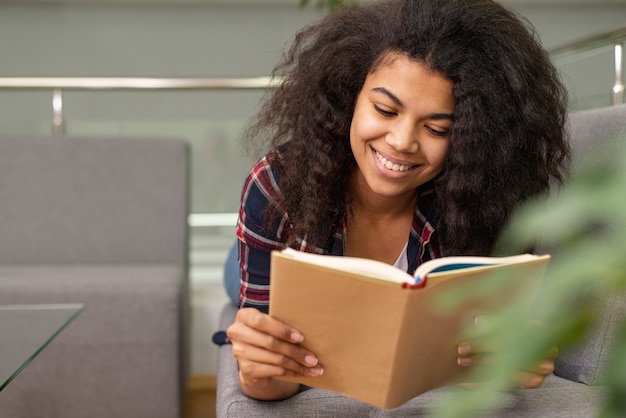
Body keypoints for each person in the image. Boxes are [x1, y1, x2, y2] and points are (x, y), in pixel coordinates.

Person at [226, 0, 569, 402]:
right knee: (237, 282)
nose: (402, 142)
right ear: (349, 95)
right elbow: (271, 377)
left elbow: (487, 358)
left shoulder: (487, 202)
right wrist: (258, 372)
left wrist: (514, 361)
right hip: (279, 234)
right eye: (385, 109)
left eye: (437, 128)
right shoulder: (274, 187)